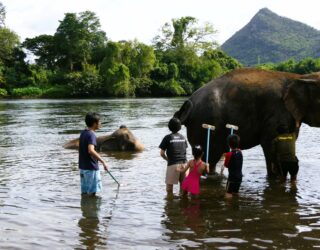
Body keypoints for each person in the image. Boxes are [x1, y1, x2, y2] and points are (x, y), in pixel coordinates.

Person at [79, 112, 108, 196]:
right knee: (92, 193)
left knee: (84, 193)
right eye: (99, 122)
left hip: (82, 168)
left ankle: (85, 207)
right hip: (91, 169)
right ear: (95, 123)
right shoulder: (92, 135)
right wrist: (103, 162)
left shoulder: (83, 133)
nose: (100, 123)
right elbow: (91, 150)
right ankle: (91, 208)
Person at [159, 118, 188, 195]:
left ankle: (170, 204)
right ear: (179, 127)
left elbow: (162, 153)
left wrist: (167, 159)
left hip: (173, 164)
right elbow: (184, 150)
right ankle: (183, 203)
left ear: (169, 127)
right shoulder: (183, 137)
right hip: (185, 165)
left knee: (169, 189)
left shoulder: (167, 137)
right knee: (184, 189)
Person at [224, 134, 243, 198]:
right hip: (239, 177)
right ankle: (236, 205)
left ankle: (229, 206)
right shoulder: (240, 152)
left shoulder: (228, 154)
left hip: (232, 177)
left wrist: (226, 157)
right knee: (235, 192)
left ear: (228, 144)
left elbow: (226, 165)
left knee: (228, 193)